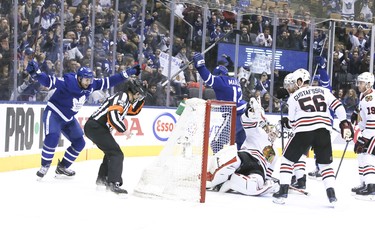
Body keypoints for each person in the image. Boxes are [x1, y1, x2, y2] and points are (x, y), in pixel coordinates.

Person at [26, 60, 141, 179]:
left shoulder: (91, 85)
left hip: (68, 118)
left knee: (79, 142)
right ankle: (45, 166)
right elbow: (49, 81)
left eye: (90, 79)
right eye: (86, 80)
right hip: (54, 113)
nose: (89, 82)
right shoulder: (68, 82)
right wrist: (36, 74)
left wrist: (127, 73)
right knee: (53, 137)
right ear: (79, 78)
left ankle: (63, 167)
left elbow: (109, 81)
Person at [273, 68, 353, 205]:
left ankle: (283, 192)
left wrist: (286, 123)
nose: (292, 86)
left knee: (287, 161)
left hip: (304, 131)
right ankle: (331, 195)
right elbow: (338, 106)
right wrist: (344, 122)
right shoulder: (323, 91)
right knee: (325, 165)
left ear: (299, 82)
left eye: (294, 82)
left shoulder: (294, 97)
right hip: (323, 131)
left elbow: (292, 122)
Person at [84, 78, 146, 195]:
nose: (139, 97)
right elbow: (113, 115)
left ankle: (102, 180)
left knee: (110, 153)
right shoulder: (122, 96)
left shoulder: (126, 101)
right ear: (134, 91)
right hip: (96, 127)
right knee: (116, 153)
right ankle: (113, 183)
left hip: (96, 127)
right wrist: (124, 130)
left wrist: (143, 98)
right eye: (139, 94)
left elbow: (134, 111)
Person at [192, 52, 247, 152]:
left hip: (233, 117)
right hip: (243, 114)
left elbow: (208, 78)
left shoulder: (220, 81)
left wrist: (200, 65)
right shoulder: (235, 80)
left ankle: (219, 167)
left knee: (216, 145)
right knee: (240, 145)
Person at [206, 145, 279, 196]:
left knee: (254, 186)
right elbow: (247, 123)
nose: (273, 132)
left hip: (259, 169)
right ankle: (210, 178)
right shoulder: (258, 132)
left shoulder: (275, 153)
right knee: (233, 159)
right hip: (247, 157)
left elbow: (268, 174)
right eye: (271, 128)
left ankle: (230, 181)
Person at [350, 72, 375, 200]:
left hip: (372, 132)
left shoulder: (371, 100)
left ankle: (372, 188)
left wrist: (363, 139)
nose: (359, 85)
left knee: (368, 158)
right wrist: (356, 112)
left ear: (369, 84)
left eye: (361, 83)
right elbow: (361, 107)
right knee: (361, 156)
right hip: (368, 131)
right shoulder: (364, 95)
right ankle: (365, 183)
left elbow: (372, 121)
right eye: (359, 82)